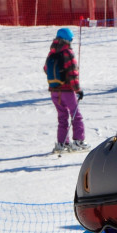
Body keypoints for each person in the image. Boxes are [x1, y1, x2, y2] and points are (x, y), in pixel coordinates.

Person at [44, 26, 86, 154]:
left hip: (54, 91)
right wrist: (77, 90)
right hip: (67, 91)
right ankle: (79, 141)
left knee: (62, 117)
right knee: (76, 115)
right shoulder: (67, 52)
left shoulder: (52, 52)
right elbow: (73, 73)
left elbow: (46, 69)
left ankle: (62, 143)